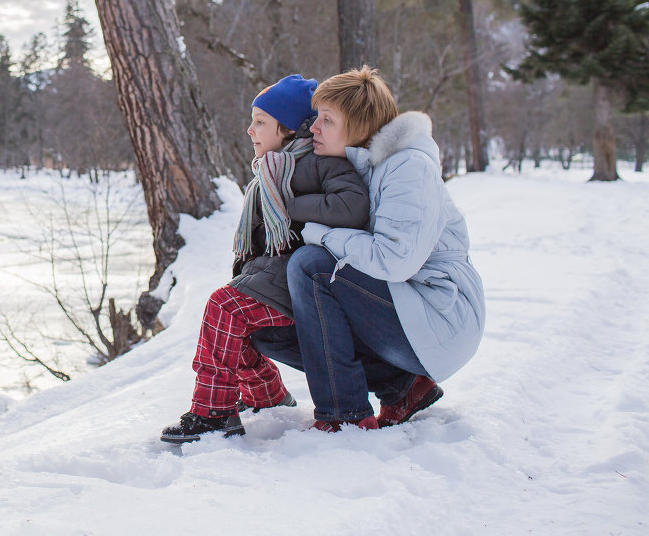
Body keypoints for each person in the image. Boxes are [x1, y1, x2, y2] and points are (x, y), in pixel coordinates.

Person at [254, 66, 486, 432]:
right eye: (316, 118)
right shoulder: (359, 167)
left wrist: (319, 233)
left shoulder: (408, 167)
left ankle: (343, 414)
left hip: (442, 316)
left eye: (326, 120)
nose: (313, 128)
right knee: (272, 329)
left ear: (360, 125)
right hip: (408, 309)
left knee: (312, 266)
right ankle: (403, 387)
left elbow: (393, 260)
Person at [160, 74, 370, 443]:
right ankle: (268, 399)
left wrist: (293, 206)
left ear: (288, 128)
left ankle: (213, 413)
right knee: (230, 323)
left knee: (225, 309)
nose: (249, 129)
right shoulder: (274, 169)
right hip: (275, 274)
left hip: (304, 280)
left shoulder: (319, 162)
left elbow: (352, 205)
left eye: (260, 121)